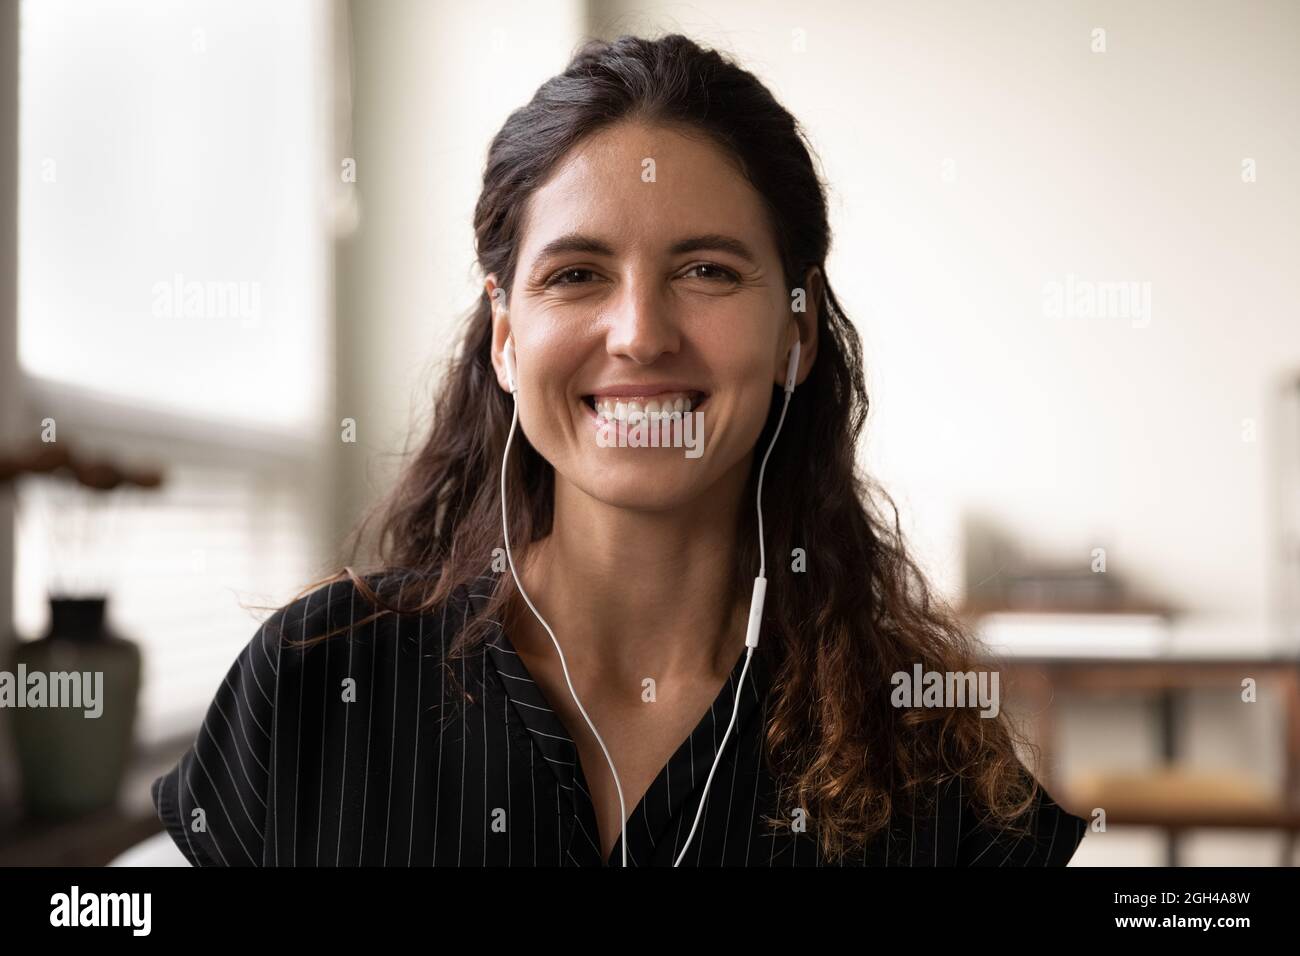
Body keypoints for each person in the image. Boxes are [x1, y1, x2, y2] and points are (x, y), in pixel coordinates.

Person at [151, 33, 1087, 867]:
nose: (641, 333)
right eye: (577, 274)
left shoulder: (932, 757)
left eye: (707, 270)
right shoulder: (317, 682)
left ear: (796, 333)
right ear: (507, 337)